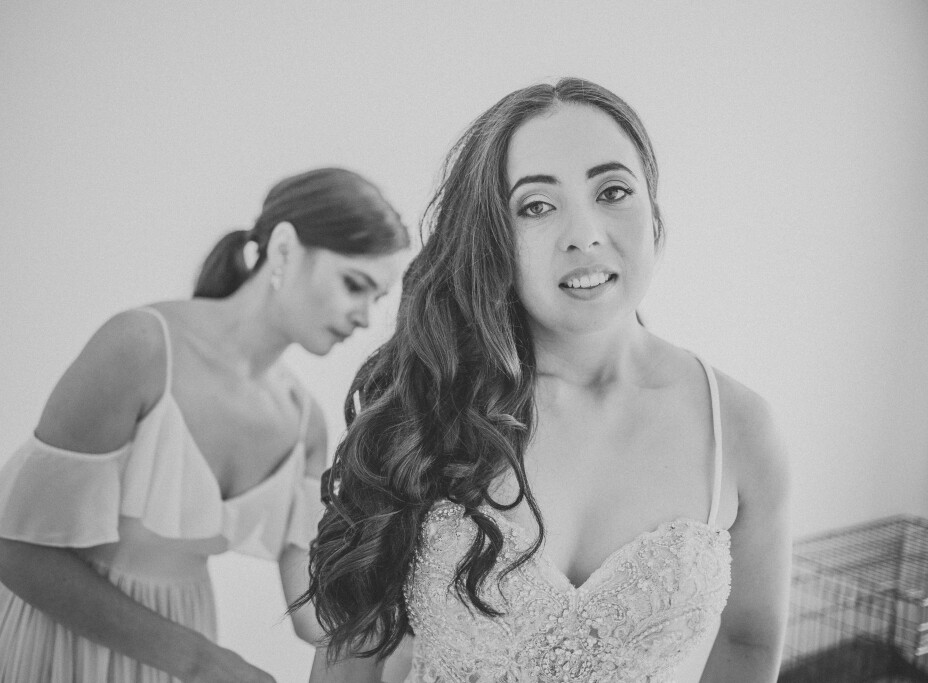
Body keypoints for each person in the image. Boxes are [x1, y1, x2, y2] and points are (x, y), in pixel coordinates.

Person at [300, 79, 792, 682]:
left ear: (653, 207)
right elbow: (354, 646)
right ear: (493, 237)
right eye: (536, 206)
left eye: (613, 191)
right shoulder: (427, 402)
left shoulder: (739, 427)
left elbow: (749, 640)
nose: (585, 234)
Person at [0, 167, 409, 683]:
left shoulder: (305, 425)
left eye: (377, 298)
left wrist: (419, 622)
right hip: (58, 647)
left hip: (180, 658)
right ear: (284, 249)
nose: (365, 318)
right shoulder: (141, 346)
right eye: (355, 285)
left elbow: (311, 613)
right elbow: (20, 557)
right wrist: (203, 661)